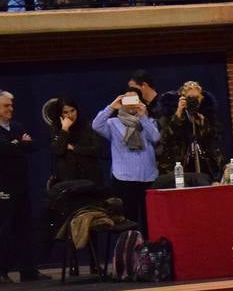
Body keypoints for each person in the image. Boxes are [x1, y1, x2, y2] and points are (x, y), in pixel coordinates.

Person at [90, 89, 160, 229]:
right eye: (127, 100)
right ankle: (130, 248)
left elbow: (156, 137)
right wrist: (111, 107)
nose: (131, 104)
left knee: (151, 221)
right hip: (124, 178)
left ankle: (150, 248)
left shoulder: (149, 121)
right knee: (128, 221)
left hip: (148, 177)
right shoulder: (113, 123)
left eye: (135, 100)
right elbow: (96, 125)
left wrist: (143, 117)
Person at [0, 91, 46, 282]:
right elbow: (3, 149)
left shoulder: (17, 126)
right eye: (6, 106)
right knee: (4, 229)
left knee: (25, 228)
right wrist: (19, 144)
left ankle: (29, 270)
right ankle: (2, 271)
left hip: (22, 185)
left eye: (11, 105)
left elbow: (33, 146)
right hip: (3, 187)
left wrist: (15, 144)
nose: (11, 108)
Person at [45, 97, 103, 187]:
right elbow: (58, 151)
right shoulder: (56, 129)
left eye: (73, 110)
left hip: (90, 177)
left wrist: (74, 148)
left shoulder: (87, 125)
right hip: (68, 180)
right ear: (60, 114)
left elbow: (97, 150)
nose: (70, 115)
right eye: (66, 112)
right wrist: (64, 129)